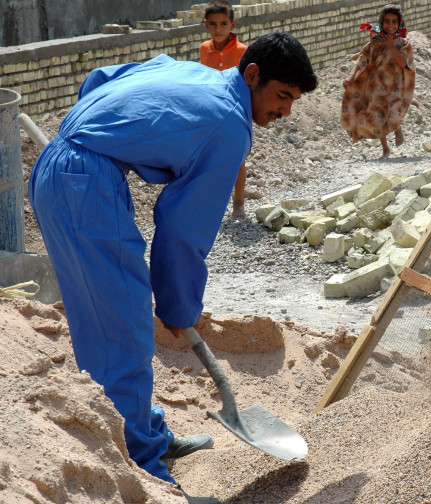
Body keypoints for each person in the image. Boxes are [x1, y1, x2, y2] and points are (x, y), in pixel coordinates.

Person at [28, 32, 317, 486]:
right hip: (84, 183)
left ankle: (146, 435)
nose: (285, 111)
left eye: (293, 101)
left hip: (66, 169)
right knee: (121, 326)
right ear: (253, 75)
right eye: (282, 96)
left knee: (111, 318)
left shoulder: (195, 73)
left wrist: (103, 138)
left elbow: (100, 80)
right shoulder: (229, 124)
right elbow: (185, 229)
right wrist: (180, 307)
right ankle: (144, 469)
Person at [341, 4, 415, 158]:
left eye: (394, 22)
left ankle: (397, 128)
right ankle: (385, 149)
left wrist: (391, 47)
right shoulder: (375, 41)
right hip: (376, 87)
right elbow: (363, 59)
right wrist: (351, 76)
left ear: (399, 23)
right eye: (387, 21)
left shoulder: (403, 44)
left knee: (394, 115)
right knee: (378, 118)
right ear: (382, 22)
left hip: (396, 87)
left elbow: (403, 64)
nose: (390, 25)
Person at [200, 0, 250, 219]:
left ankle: (238, 203)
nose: (218, 29)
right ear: (206, 25)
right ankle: (211, 204)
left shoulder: (243, 52)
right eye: (213, 24)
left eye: (223, 24)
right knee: (209, 158)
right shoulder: (204, 49)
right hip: (211, 112)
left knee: (238, 159)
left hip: (236, 112)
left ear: (233, 24)